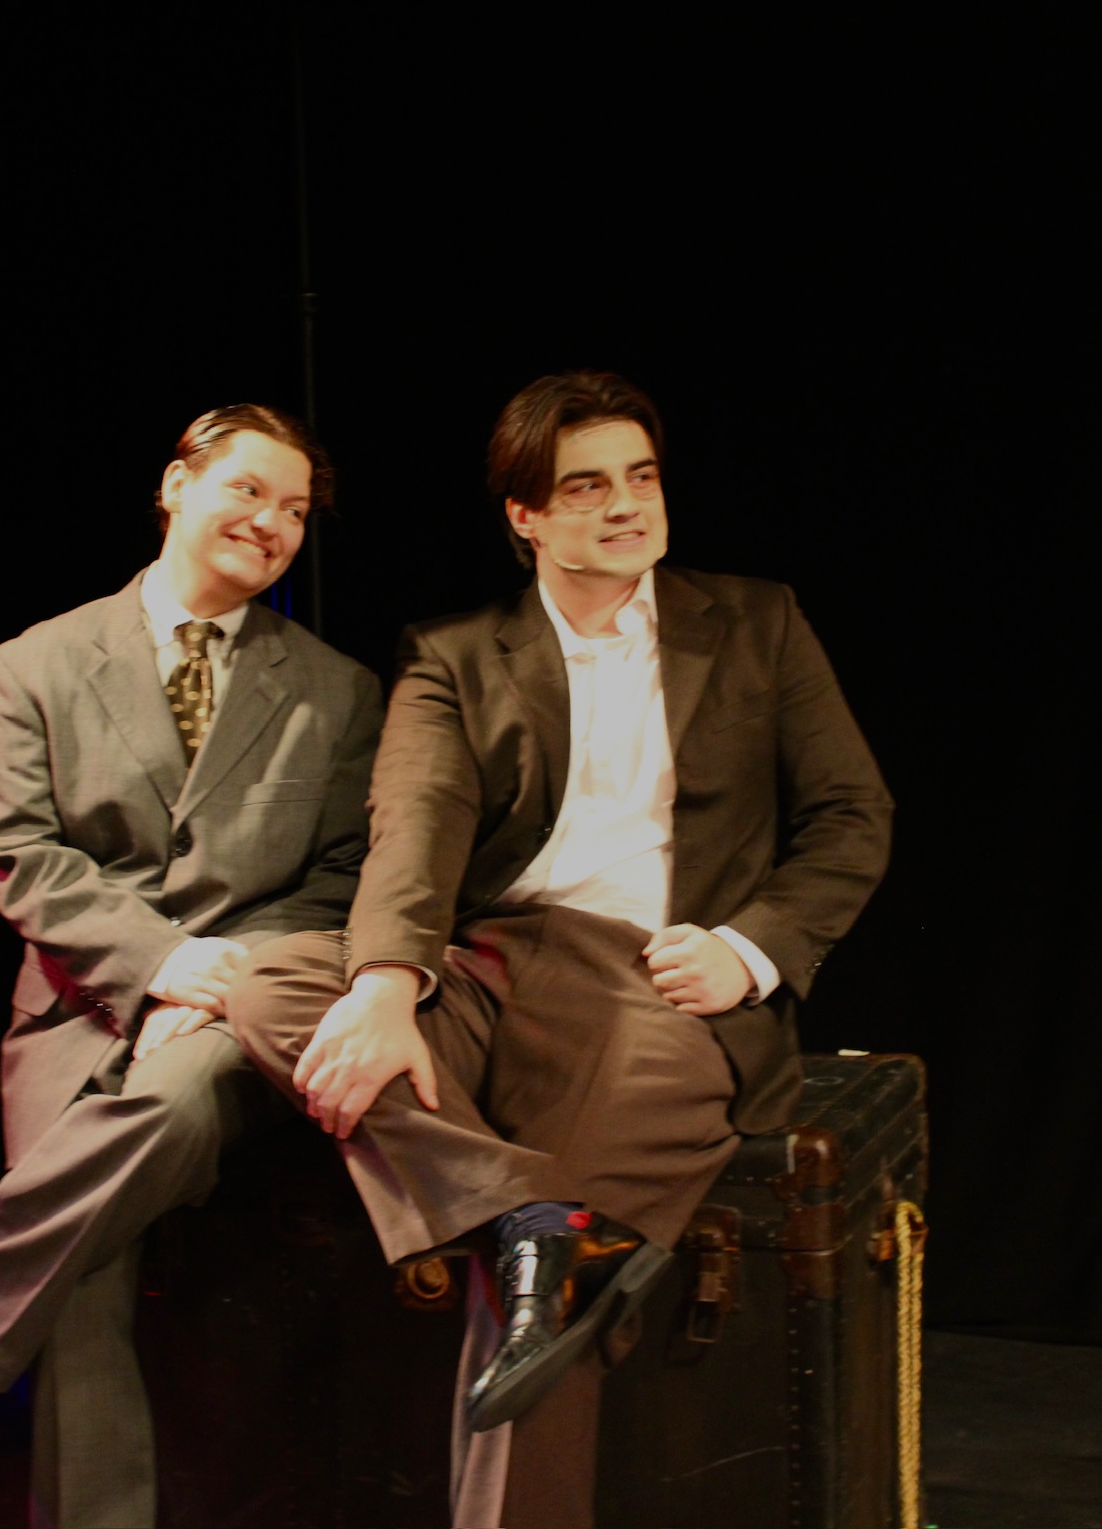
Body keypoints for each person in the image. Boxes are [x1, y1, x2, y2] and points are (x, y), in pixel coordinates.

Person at [224, 372, 893, 1528]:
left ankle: (534, 1231)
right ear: (524, 516)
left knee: (532, 1306)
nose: (627, 505)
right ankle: (524, 1216)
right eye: (586, 486)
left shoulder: (757, 619)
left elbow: (852, 813)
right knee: (275, 982)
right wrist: (387, 986)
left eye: (641, 477)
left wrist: (752, 947)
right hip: (489, 967)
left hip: (655, 986)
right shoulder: (454, 651)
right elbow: (418, 821)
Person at [0, 404, 382, 1529]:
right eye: (249, 491)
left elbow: (338, 878)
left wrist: (223, 979)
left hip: (247, 1009)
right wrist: (159, 964)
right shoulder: (38, 662)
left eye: (294, 512)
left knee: (175, 1098)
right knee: (82, 1261)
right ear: (177, 484)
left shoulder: (336, 690)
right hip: (81, 1007)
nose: (273, 523)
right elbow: (20, 852)